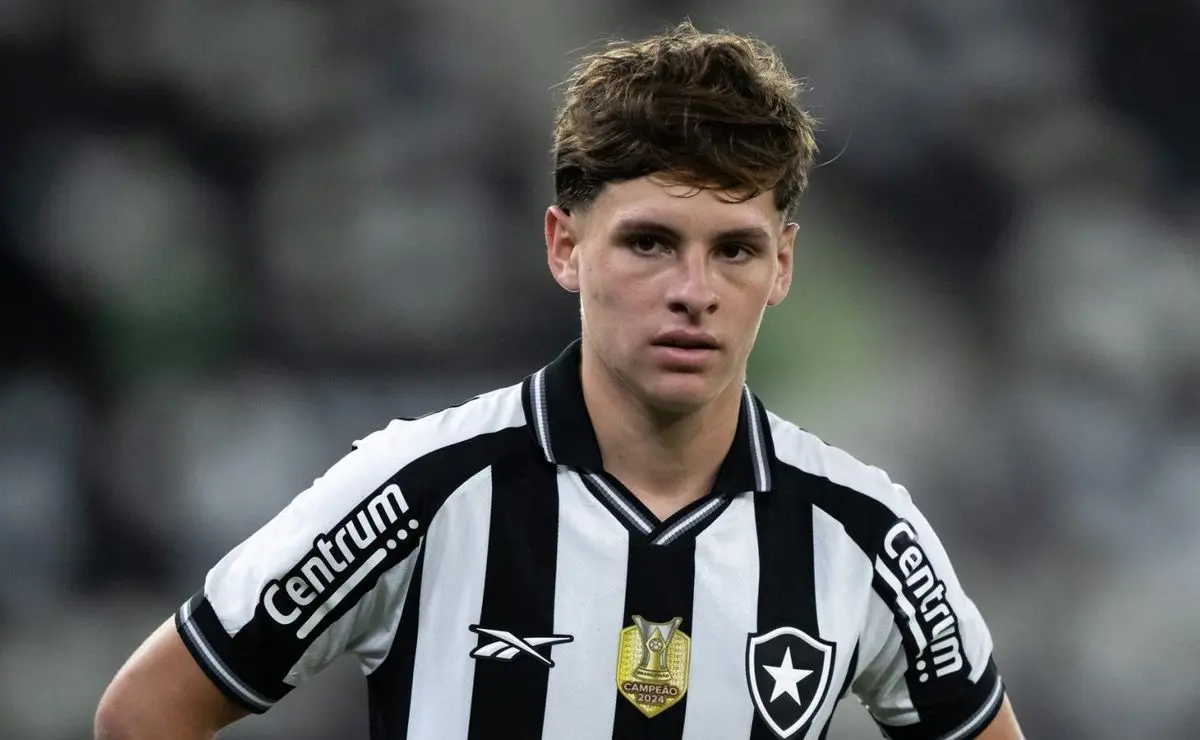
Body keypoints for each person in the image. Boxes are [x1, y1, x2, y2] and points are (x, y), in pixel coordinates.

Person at [95, 20, 1025, 740]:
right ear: (565, 246)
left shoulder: (864, 534)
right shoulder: (420, 490)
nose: (693, 291)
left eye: (734, 250)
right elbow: (145, 712)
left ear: (782, 265)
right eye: (649, 242)